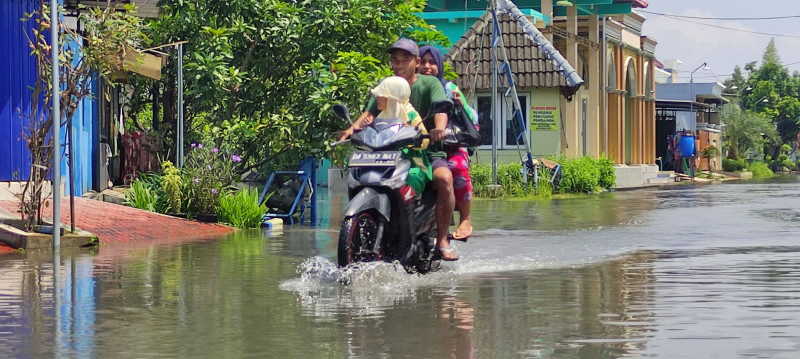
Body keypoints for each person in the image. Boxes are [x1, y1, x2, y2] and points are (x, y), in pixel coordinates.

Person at [339, 38, 459, 261]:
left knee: (444, 179)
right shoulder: (388, 85)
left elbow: (440, 109)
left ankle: (442, 240)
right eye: (395, 59)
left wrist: (439, 129)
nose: (399, 64)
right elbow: (369, 114)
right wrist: (350, 130)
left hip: (426, 149)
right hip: (387, 150)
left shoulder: (429, 84)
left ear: (417, 62)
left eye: (405, 59)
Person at [418, 45, 478, 242]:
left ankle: (465, 219)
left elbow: (472, 118)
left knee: (457, 167)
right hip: (415, 144)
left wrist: (460, 103)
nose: (427, 66)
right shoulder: (407, 87)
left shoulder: (448, 88)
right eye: (423, 62)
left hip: (449, 145)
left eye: (432, 62)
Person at [370, 75, 431, 195]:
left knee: (412, 180)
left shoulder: (411, 115)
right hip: (387, 164)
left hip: (412, 163)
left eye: (381, 95)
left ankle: (407, 209)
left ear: (392, 97)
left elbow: (425, 141)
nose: (376, 97)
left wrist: (412, 132)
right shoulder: (381, 117)